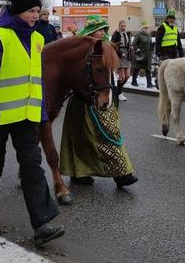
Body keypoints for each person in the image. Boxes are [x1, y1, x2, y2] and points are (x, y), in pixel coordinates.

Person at [0, 0, 64, 247]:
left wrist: (41, 113)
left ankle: (42, 224)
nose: (36, 15)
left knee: (32, 166)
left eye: (37, 11)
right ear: (17, 11)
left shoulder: (36, 39)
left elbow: (36, 80)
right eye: (31, 11)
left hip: (25, 116)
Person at [59, 14, 138, 188]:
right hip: (83, 101)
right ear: (90, 31)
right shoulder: (79, 50)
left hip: (105, 100)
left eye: (104, 30)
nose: (101, 33)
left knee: (111, 134)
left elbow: (111, 75)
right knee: (82, 140)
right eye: (98, 30)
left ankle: (122, 173)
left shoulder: (108, 47)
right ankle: (79, 173)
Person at [111, 20, 132, 101]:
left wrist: (130, 47)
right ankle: (119, 93)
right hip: (120, 55)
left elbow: (128, 43)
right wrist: (120, 53)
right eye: (122, 26)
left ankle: (118, 91)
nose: (123, 28)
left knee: (127, 76)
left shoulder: (127, 34)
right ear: (119, 26)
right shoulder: (116, 34)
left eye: (124, 26)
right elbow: (113, 45)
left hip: (127, 55)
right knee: (122, 77)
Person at [130, 21, 153, 88]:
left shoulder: (149, 34)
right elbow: (134, 43)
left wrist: (152, 46)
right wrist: (137, 49)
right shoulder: (139, 35)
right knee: (137, 69)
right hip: (140, 55)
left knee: (148, 69)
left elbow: (149, 43)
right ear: (142, 28)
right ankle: (133, 81)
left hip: (148, 55)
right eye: (145, 27)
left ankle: (149, 84)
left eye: (147, 27)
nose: (146, 28)